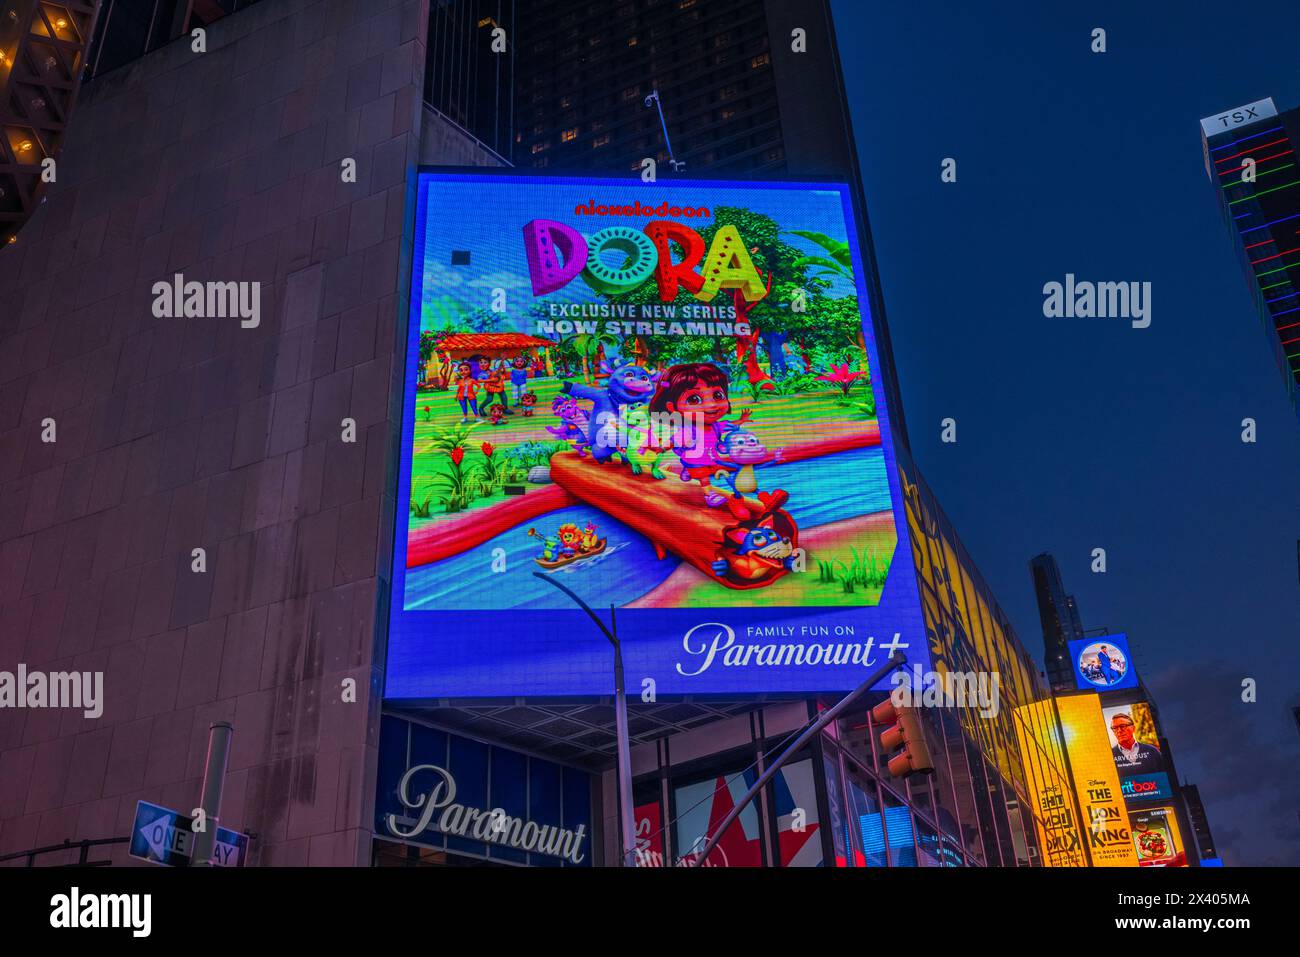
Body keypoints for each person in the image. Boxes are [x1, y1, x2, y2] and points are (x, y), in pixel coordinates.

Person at [647, 362, 750, 507]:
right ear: (672, 407)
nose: (711, 405)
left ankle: (686, 471)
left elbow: (729, 425)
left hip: (710, 457)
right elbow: (675, 441)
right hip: (694, 459)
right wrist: (661, 449)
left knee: (709, 470)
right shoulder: (689, 429)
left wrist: (741, 420)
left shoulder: (714, 426)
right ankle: (710, 495)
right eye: (694, 399)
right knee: (703, 476)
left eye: (717, 395)